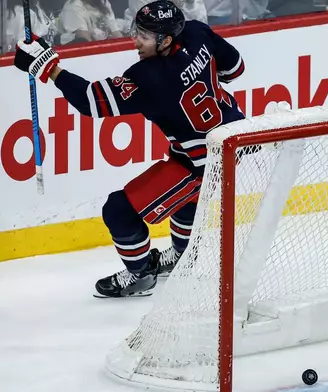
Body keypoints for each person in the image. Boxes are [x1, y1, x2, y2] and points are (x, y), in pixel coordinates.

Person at [13, 0, 247, 297]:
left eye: (145, 36)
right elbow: (234, 69)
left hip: (203, 162)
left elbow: (90, 100)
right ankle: (181, 258)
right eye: (137, 31)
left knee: (119, 211)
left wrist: (47, 66)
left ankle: (140, 275)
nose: (135, 40)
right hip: (232, 137)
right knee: (185, 195)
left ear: (166, 40)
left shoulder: (150, 77)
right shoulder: (197, 32)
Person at [58, 0, 123, 44]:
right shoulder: (73, 5)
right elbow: (83, 38)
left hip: (104, 51)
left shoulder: (103, 3)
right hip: (78, 55)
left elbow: (116, 33)